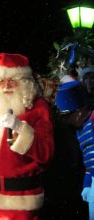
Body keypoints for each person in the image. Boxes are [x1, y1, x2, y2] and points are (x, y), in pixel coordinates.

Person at [0, 52, 54, 220]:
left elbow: (46, 152)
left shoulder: (38, 108)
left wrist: (20, 128)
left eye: (12, 80)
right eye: (2, 81)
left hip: (18, 199)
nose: (6, 85)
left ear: (24, 83)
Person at [56, 80, 94, 220]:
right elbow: (89, 164)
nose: (65, 121)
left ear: (79, 111)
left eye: (66, 116)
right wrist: (88, 184)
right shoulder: (80, 129)